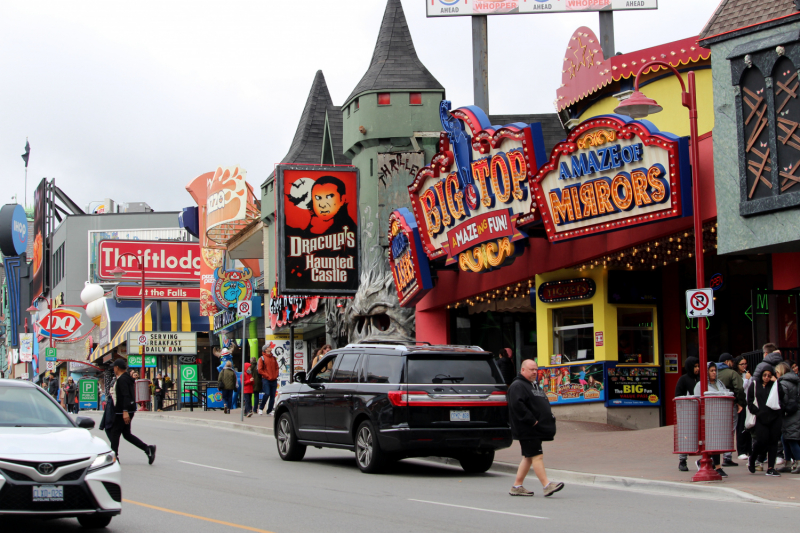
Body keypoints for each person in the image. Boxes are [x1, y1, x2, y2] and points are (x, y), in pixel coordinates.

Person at [507, 359, 563, 497]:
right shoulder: (518, 385)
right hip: (527, 429)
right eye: (531, 369)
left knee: (528, 457)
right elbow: (517, 406)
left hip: (533, 428)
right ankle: (547, 485)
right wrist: (532, 421)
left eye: (536, 369)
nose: (534, 372)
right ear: (523, 370)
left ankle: (517, 486)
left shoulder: (533, 385)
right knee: (537, 456)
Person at [108, 359, 156, 464]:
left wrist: (124, 411)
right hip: (127, 409)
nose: (113, 369)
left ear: (117, 368)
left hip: (122, 411)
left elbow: (126, 395)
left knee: (115, 433)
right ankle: (148, 449)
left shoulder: (122, 379)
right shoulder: (127, 378)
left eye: (114, 367)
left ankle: (114, 457)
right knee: (126, 434)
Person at [693, 362, 731, 477]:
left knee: (717, 442)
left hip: (719, 416)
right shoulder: (700, 385)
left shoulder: (719, 383)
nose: (714, 373)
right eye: (711, 371)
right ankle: (717, 466)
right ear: (706, 372)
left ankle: (706, 462)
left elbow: (725, 393)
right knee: (711, 442)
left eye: (715, 370)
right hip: (708, 417)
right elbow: (698, 400)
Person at [747, 366, 782, 476]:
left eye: (769, 375)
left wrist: (777, 382)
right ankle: (753, 458)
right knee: (762, 441)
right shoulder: (755, 384)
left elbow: (781, 396)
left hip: (774, 417)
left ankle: (771, 467)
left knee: (773, 442)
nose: (766, 377)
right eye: (764, 375)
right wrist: (758, 412)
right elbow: (750, 401)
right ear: (761, 375)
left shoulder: (774, 385)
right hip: (761, 418)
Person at [717, 353, 744, 467]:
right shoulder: (732, 373)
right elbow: (739, 388)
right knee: (730, 429)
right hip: (729, 404)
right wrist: (740, 402)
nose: (733, 364)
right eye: (732, 362)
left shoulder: (713, 373)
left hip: (715, 405)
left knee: (717, 431)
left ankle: (716, 455)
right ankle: (727, 456)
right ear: (728, 362)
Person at [674, 356, 699, 471]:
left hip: (698, 411)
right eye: (695, 366)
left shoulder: (700, 379)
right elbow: (678, 394)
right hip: (686, 412)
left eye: (698, 366)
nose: (697, 369)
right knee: (685, 435)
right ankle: (682, 460)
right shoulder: (683, 379)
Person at [775, 362, 800, 474]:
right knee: (786, 438)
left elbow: (782, 400)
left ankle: (798, 462)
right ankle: (788, 462)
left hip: (789, 414)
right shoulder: (795, 380)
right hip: (796, 412)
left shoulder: (783, 383)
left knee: (791, 439)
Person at [734, 356, 752, 460]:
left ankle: (750, 449)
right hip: (741, 403)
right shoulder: (737, 376)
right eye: (742, 364)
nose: (744, 366)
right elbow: (740, 389)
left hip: (749, 403)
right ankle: (741, 450)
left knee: (749, 426)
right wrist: (746, 380)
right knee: (741, 426)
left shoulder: (748, 374)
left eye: (745, 364)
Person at [257, 344, 280, 415]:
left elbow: (277, 367)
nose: (270, 348)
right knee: (267, 394)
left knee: (273, 395)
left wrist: (275, 375)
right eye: (269, 347)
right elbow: (260, 370)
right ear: (265, 350)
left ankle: (270, 410)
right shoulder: (262, 358)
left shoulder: (273, 358)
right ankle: (261, 408)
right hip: (266, 379)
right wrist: (267, 376)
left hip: (274, 379)